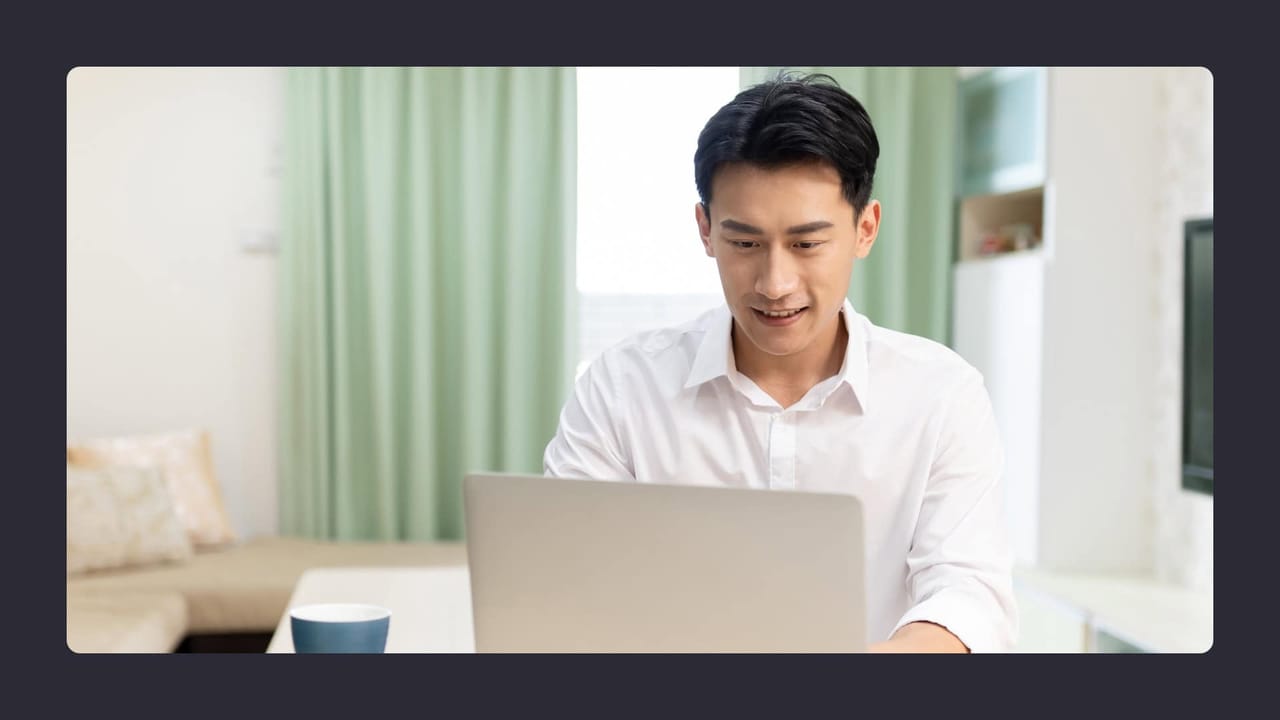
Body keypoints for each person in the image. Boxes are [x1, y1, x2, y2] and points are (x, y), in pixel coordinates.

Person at [543, 71, 1017, 653]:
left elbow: (966, 591)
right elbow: (567, 579)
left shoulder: (941, 394)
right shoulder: (622, 387)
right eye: (744, 243)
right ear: (705, 230)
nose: (775, 283)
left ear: (864, 229)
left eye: (807, 243)